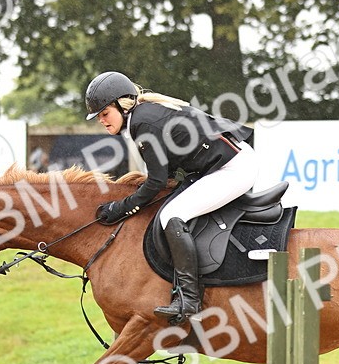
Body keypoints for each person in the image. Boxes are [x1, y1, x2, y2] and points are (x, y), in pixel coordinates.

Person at [85, 70, 257, 323]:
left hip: (233, 169)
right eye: (98, 116)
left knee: (171, 215)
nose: (101, 120)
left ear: (122, 106)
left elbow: (155, 182)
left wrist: (120, 208)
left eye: (104, 113)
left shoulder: (143, 123)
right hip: (222, 162)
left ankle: (189, 299)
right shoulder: (142, 116)